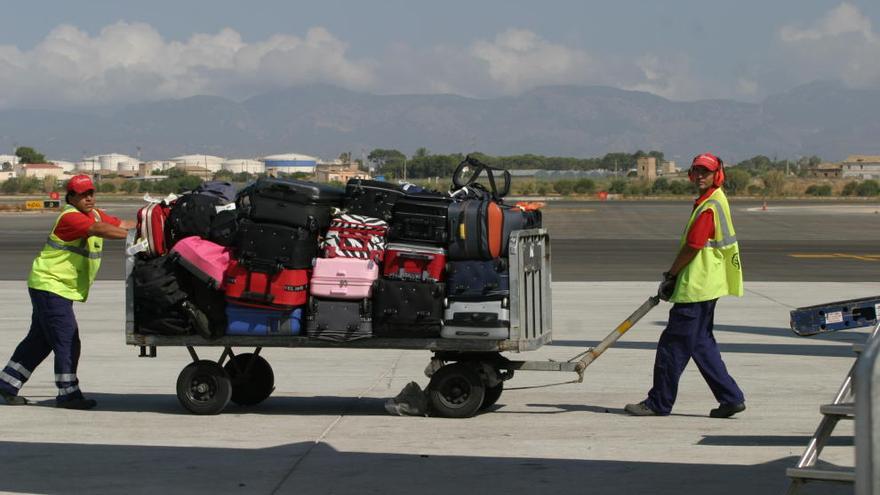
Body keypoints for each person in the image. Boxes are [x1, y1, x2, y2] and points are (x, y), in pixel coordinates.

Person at [625, 153, 745, 418]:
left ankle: (658, 402)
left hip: (696, 287)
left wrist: (672, 274)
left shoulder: (709, 206)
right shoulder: (713, 200)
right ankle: (731, 398)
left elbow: (693, 245)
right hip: (708, 286)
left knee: (672, 346)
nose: (701, 175)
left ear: (717, 174)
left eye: (707, 171)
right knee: (702, 344)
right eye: (697, 171)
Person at [0, 175, 135, 409]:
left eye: (91, 193)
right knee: (67, 340)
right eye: (83, 194)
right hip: (51, 286)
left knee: (40, 341)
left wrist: (151, 225)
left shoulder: (93, 213)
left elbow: (120, 224)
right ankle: (68, 394)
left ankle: (6, 385)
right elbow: (100, 229)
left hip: (55, 287)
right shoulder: (71, 218)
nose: (89, 198)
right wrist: (135, 238)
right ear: (71, 197)